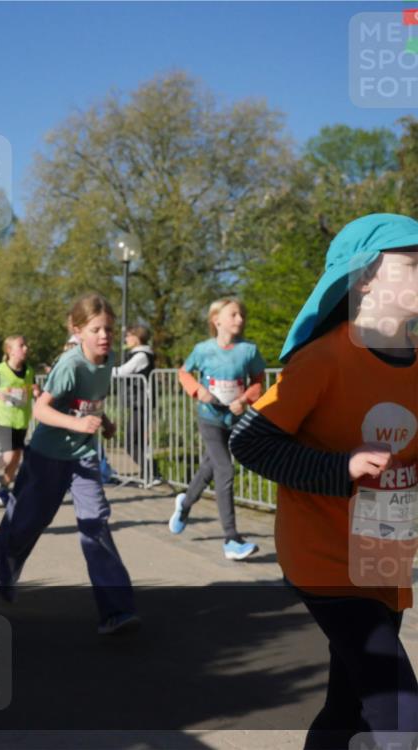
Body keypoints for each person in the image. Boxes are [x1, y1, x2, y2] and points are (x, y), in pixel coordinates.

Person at [231, 214, 418, 749]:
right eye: (412, 265)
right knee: (403, 720)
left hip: (385, 555)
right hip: (326, 561)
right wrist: (341, 468)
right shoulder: (324, 358)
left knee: (349, 708)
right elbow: (251, 442)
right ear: (365, 280)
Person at [0, 294, 139, 635]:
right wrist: (78, 425)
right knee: (30, 521)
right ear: (77, 331)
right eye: (96, 329)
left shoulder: (108, 360)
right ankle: (6, 558)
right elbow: (42, 409)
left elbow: (89, 405)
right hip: (47, 456)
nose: (104, 336)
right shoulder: (70, 365)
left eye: (109, 329)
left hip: (83, 457)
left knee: (95, 523)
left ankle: (117, 611)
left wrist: (104, 422)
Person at [168, 298, 265, 560]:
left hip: (233, 420)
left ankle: (185, 503)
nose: (240, 319)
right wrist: (198, 390)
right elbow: (184, 372)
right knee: (225, 469)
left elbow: (258, 380)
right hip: (209, 418)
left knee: (210, 467)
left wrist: (244, 400)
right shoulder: (203, 350)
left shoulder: (248, 350)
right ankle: (231, 539)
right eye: (233, 314)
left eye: (241, 315)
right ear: (216, 320)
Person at [0, 335, 39, 506]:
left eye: (26, 345)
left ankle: (4, 489)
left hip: (21, 419)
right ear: (10, 351)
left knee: (16, 457)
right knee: (9, 455)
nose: (26, 348)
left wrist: (36, 392)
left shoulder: (29, 370)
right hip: (3, 418)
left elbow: (33, 388)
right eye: (21, 345)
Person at [113, 325, 156, 478]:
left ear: (137, 338)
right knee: (136, 440)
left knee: (131, 441)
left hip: (142, 403)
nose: (126, 339)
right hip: (140, 402)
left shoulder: (141, 356)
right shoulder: (140, 354)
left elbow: (122, 371)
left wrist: (101, 370)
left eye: (129, 336)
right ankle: (149, 473)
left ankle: (152, 472)